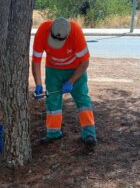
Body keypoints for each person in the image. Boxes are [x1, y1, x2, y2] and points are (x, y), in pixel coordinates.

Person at [32, 17, 97, 146]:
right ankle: (53, 133)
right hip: (53, 70)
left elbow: (85, 62)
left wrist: (71, 81)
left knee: (83, 100)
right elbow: (36, 61)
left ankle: (89, 133)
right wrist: (38, 83)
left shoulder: (76, 33)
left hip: (75, 69)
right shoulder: (42, 31)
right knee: (53, 101)